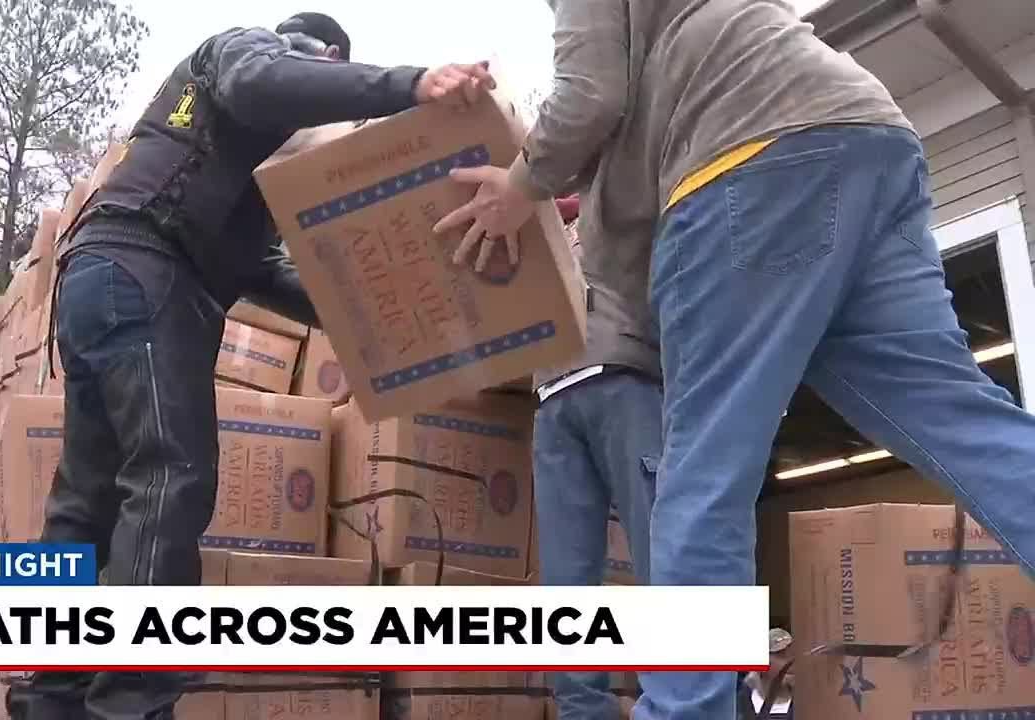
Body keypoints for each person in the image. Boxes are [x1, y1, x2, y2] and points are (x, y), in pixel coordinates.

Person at [435, 1, 1035, 718]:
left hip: (745, 159)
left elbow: (591, 92)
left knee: (702, 473)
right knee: (964, 423)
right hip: (863, 130)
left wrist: (521, 182)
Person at [9, 13, 496, 720]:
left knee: (88, 501)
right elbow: (265, 82)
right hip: (142, 270)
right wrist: (411, 84)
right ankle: (130, 703)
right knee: (170, 477)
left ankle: (51, 698)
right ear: (324, 55)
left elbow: (260, 271)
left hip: (107, 278)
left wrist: (383, 312)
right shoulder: (245, 53)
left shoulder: (245, 167)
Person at [532, 195, 660, 720]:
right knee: (665, 555)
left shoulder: (532, 224)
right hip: (614, 381)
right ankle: (684, 703)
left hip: (560, 391)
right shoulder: (622, 199)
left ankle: (586, 711)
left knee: (568, 576)